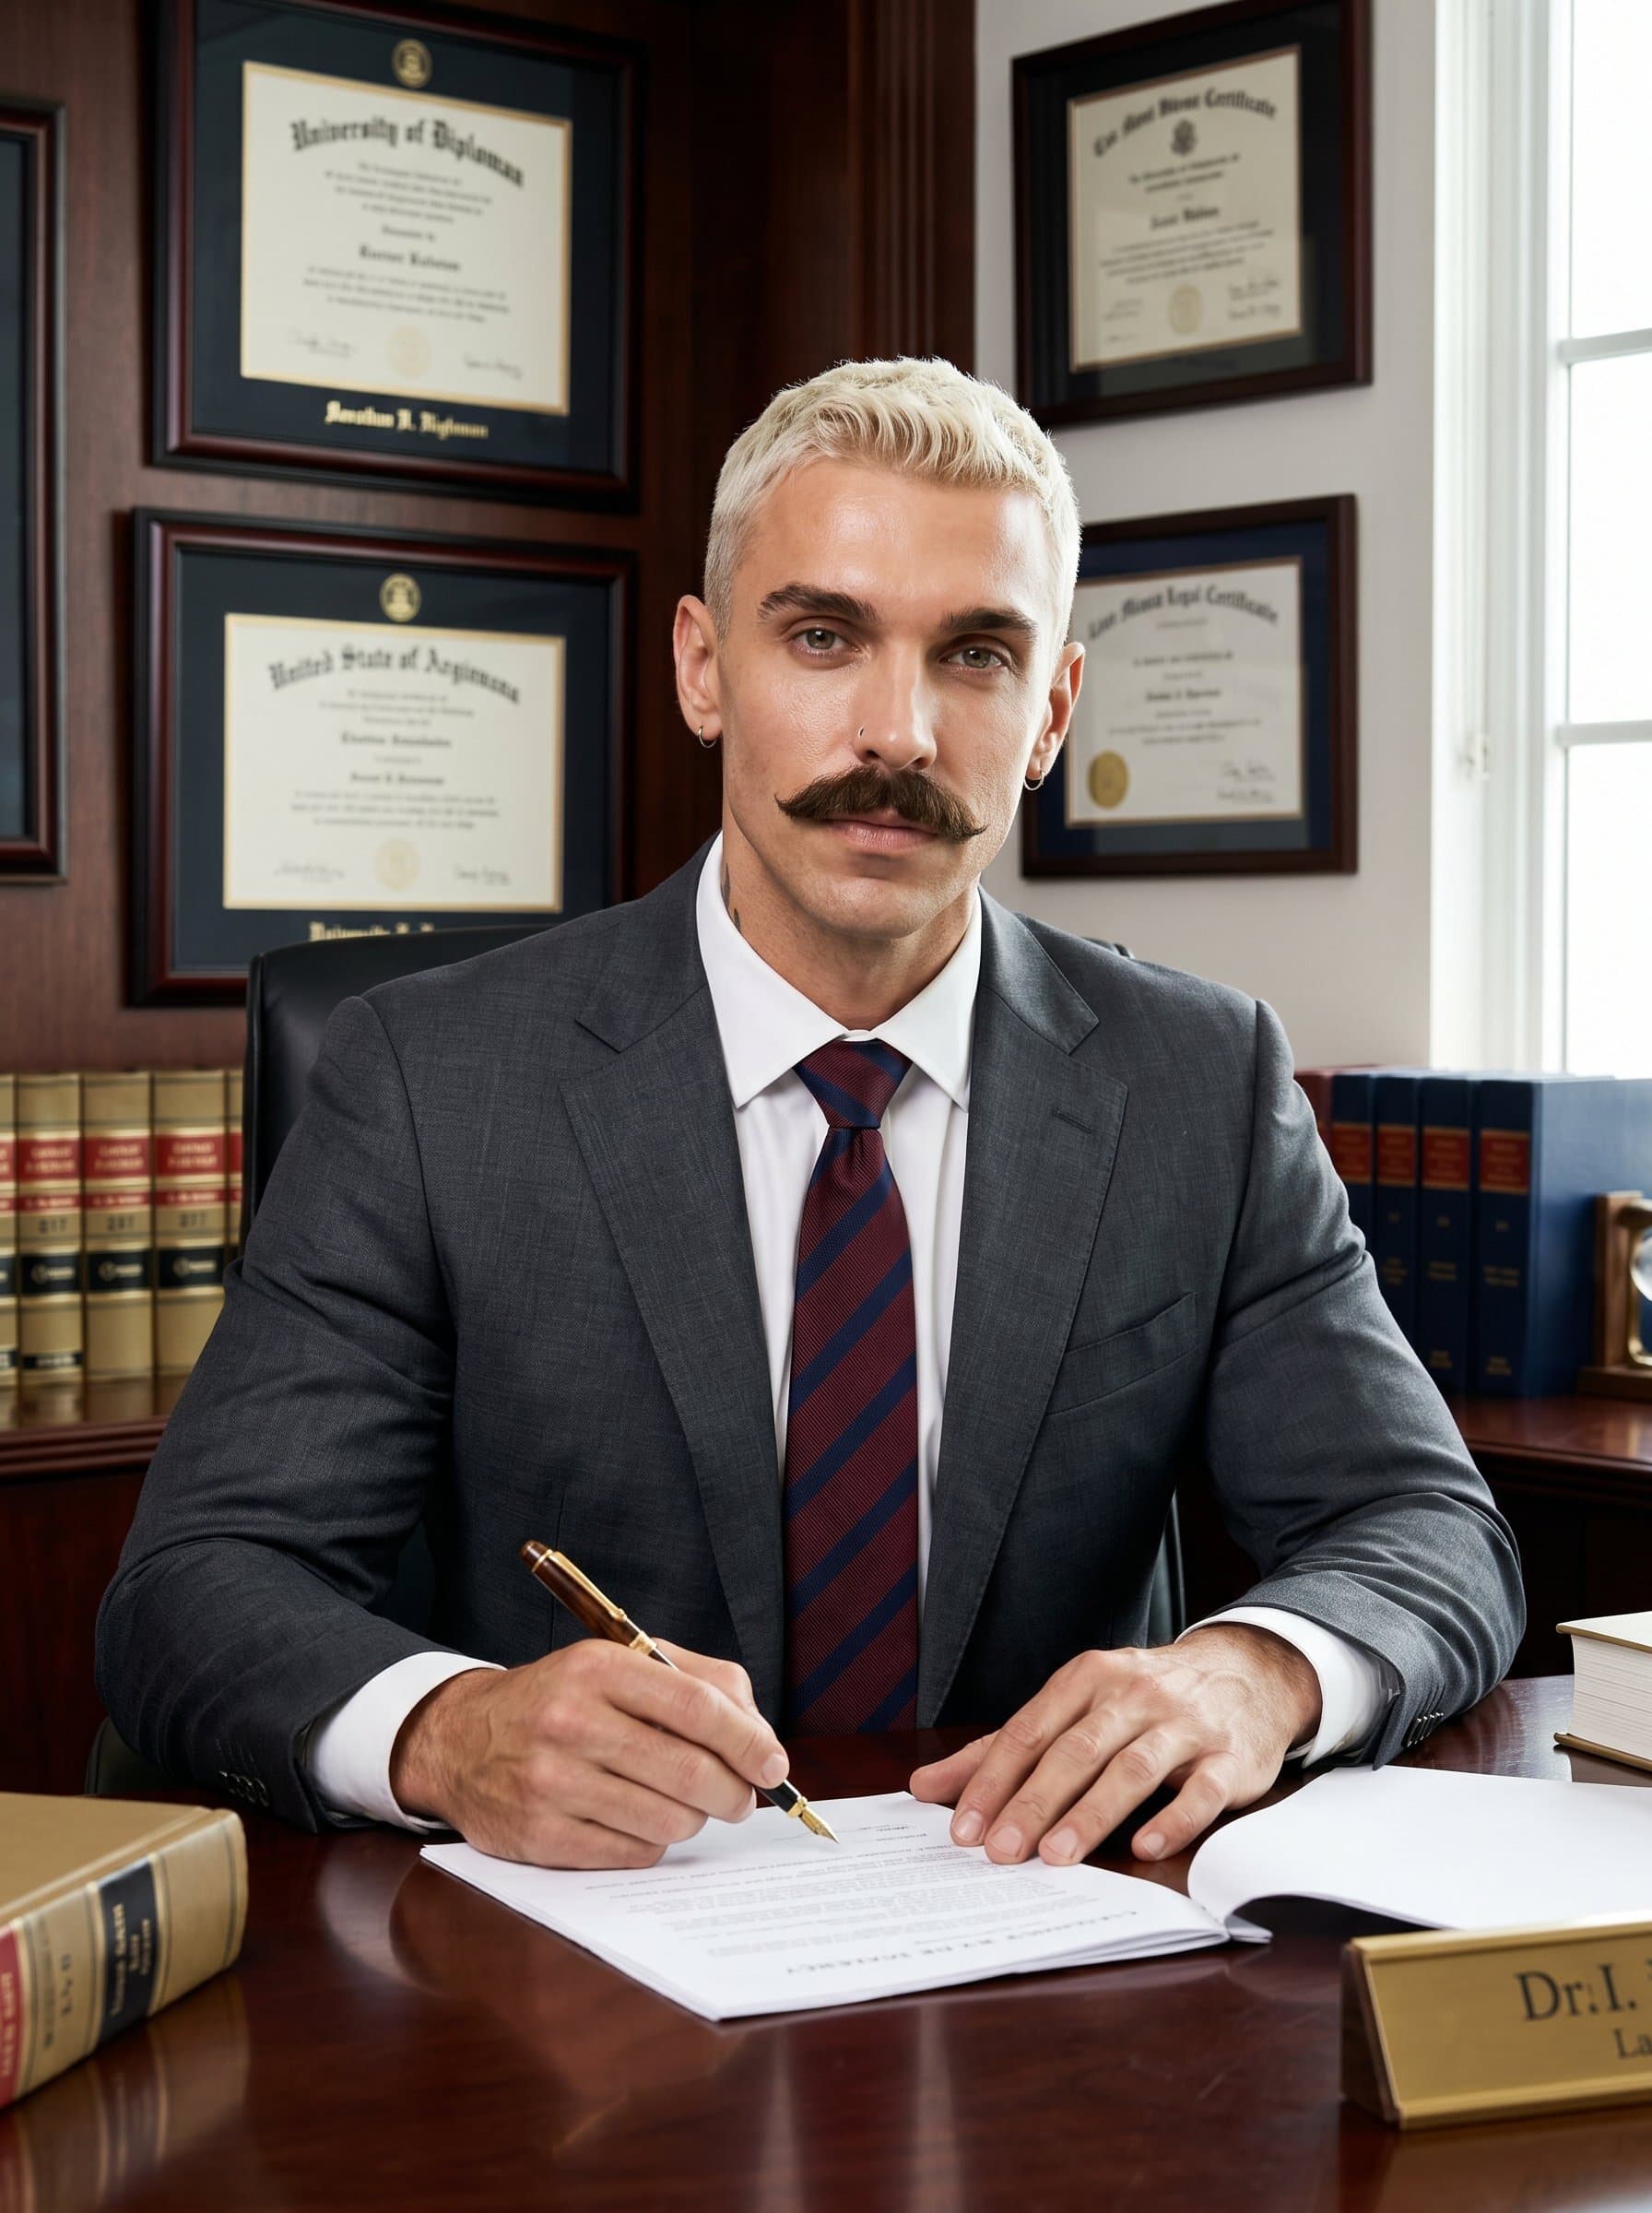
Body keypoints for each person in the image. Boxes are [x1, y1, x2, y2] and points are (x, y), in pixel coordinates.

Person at [98, 358, 1523, 1876]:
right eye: (825, 636)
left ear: (1053, 710)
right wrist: (452, 1731)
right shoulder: (435, 1081)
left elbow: (1431, 1531)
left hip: (1042, 1954)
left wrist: (1261, 1672)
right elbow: (195, 1584)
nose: (897, 733)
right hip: (571, 1981)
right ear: (704, 669)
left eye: (975, 655)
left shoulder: (1200, 1081)